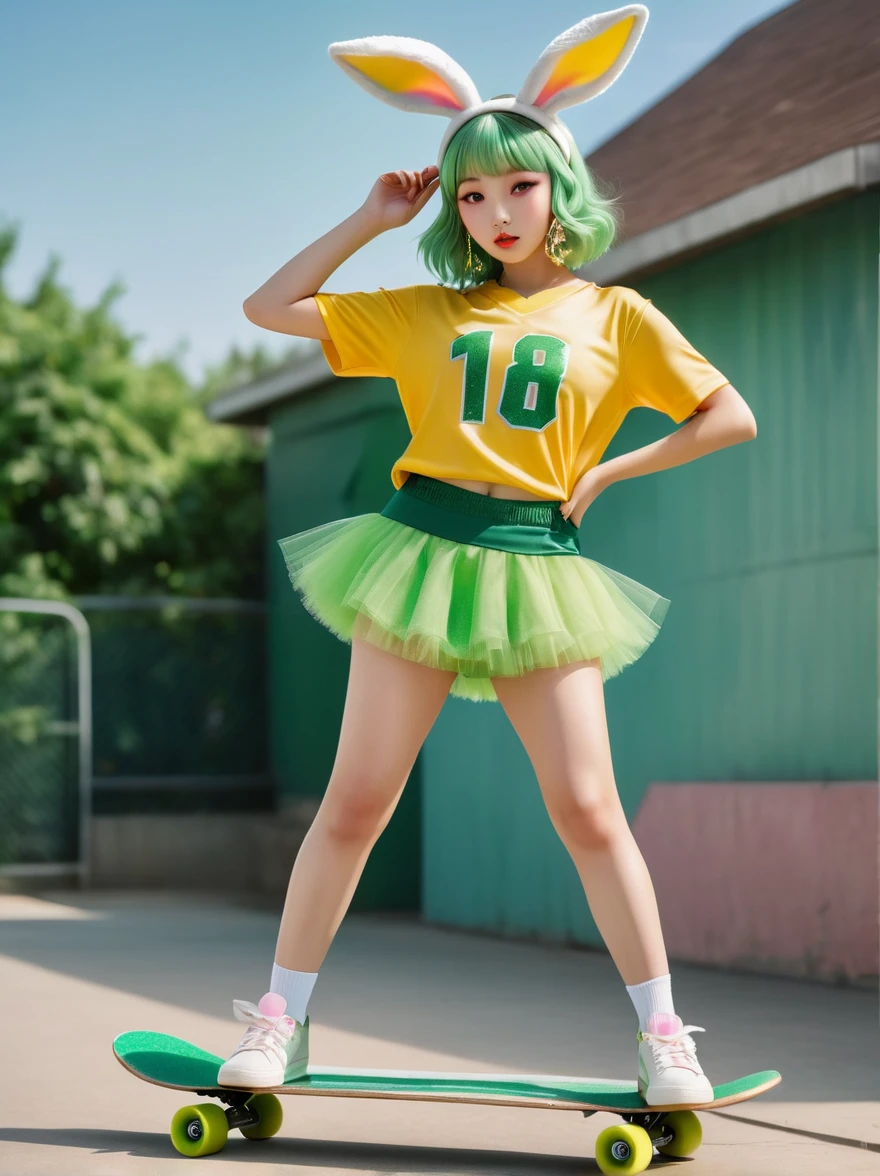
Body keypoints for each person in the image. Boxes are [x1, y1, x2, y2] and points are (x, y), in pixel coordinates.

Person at [219, 5, 758, 1107]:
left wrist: (608, 472)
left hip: (538, 561)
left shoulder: (617, 316)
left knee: (590, 810)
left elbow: (727, 415)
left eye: (516, 185)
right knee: (356, 801)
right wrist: (370, 218)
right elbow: (268, 305)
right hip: (419, 551)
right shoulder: (425, 309)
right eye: (472, 193)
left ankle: (665, 1037)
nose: (496, 211)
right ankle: (280, 1020)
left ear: (559, 184)